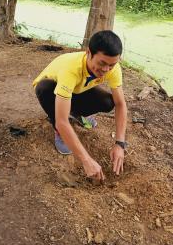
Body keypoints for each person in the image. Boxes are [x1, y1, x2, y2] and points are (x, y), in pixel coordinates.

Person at [34, 30, 128, 181]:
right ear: (89, 52)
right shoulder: (71, 69)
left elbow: (120, 104)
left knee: (108, 102)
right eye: (102, 63)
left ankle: (76, 113)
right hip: (52, 89)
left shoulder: (112, 68)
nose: (106, 70)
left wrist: (120, 144)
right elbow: (62, 121)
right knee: (44, 89)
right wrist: (86, 160)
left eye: (111, 65)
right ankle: (60, 131)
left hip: (77, 90)